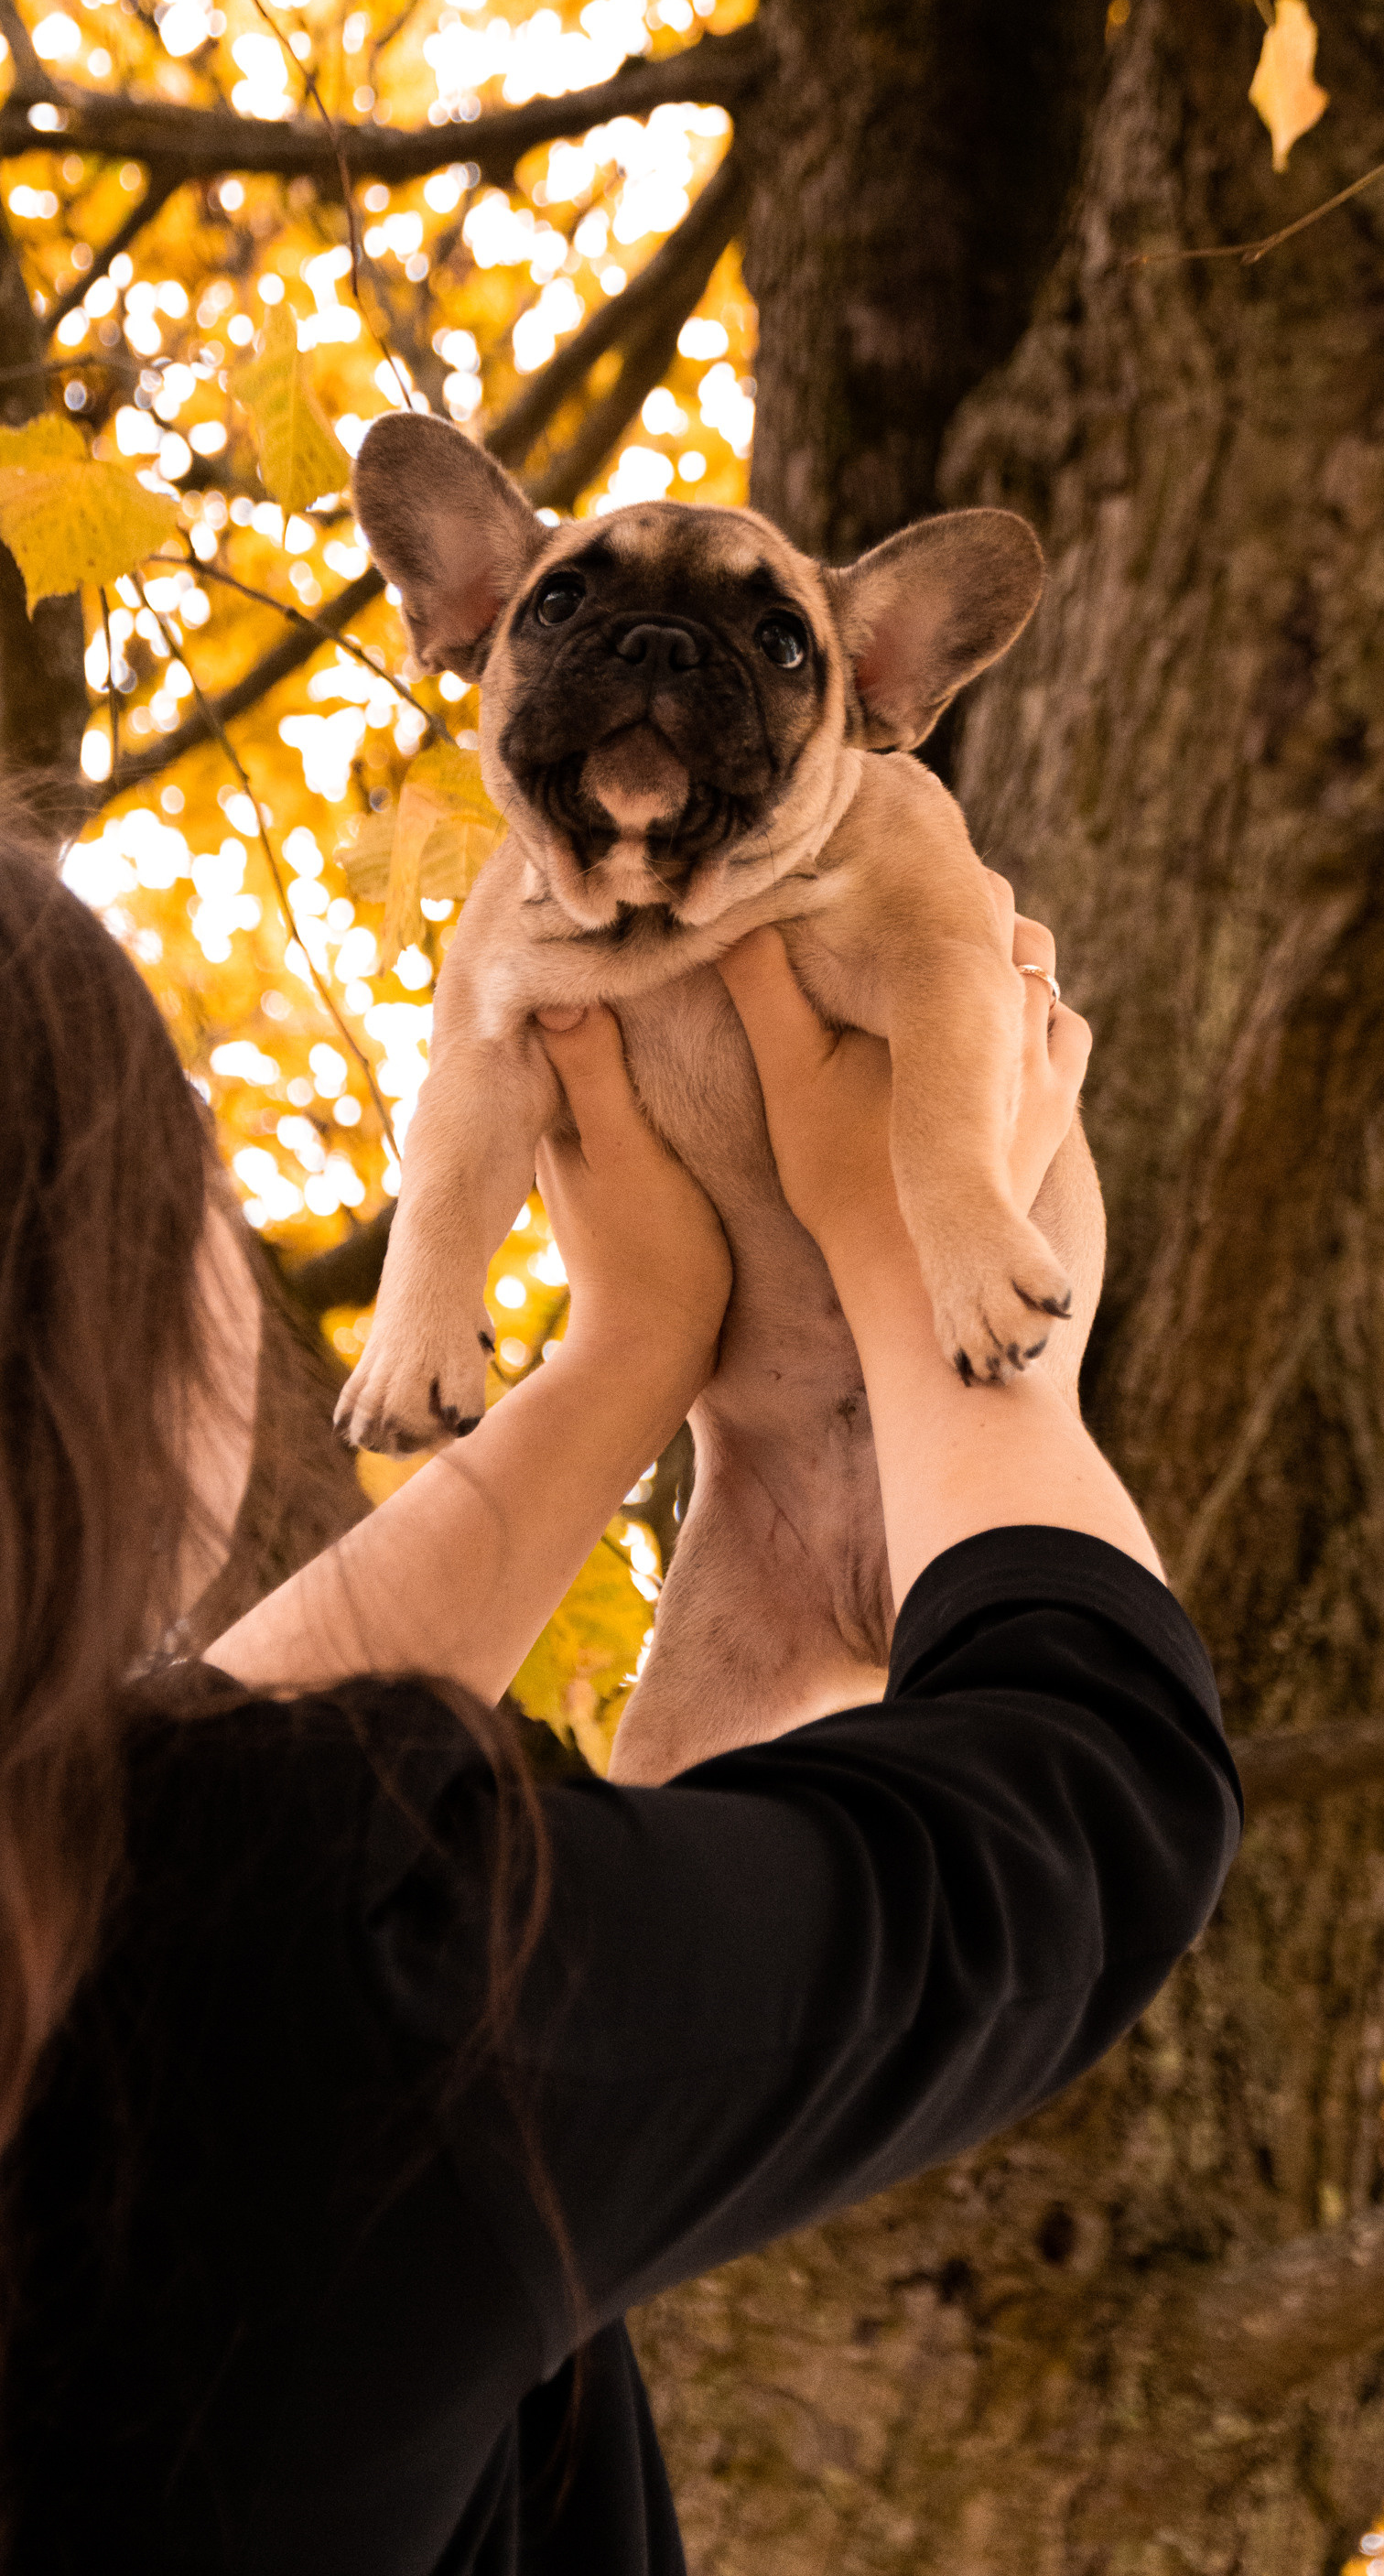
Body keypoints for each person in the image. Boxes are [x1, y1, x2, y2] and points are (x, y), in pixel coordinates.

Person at [0, 826, 1241, 2573]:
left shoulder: (162, 1906)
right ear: (82, 1315)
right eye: (194, 1178)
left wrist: (633, 1352)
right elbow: (1085, 1814)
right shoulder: (307, 1961)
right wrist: (929, 1289)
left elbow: (150, 1822)